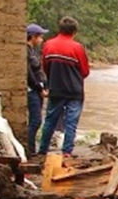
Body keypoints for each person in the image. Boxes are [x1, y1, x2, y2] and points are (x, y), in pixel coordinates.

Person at [38, 16, 89, 157]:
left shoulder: (48, 45)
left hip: (55, 90)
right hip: (74, 92)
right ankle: (66, 152)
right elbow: (85, 71)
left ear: (59, 29)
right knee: (71, 123)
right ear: (74, 32)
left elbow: (45, 67)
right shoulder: (77, 48)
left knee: (50, 121)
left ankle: (42, 151)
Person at [26, 23, 49, 155]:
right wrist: (40, 89)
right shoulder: (26, 51)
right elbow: (30, 74)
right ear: (33, 37)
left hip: (37, 90)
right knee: (35, 121)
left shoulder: (32, 50)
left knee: (35, 120)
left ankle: (31, 149)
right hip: (33, 90)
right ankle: (30, 151)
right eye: (40, 37)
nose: (41, 40)